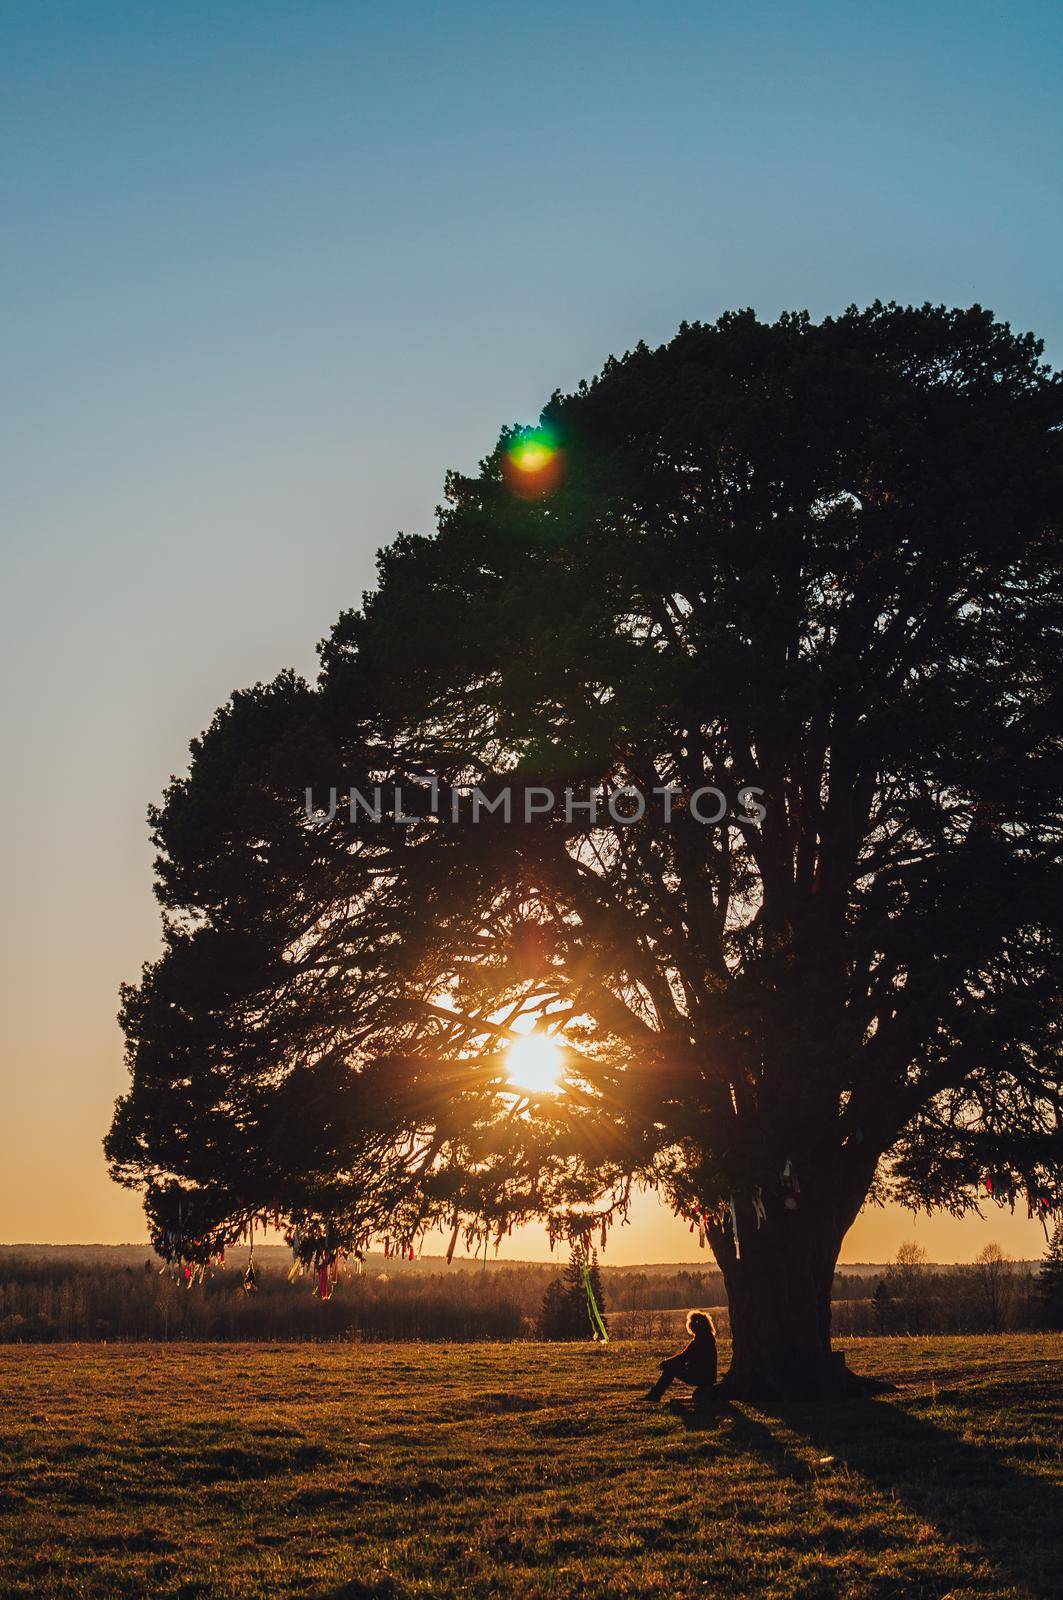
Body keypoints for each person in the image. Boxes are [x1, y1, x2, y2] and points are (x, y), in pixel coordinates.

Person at [643, 1311, 717, 1404]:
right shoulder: (707, 1339)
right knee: (672, 1367)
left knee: (670, 1369)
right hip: (707, 1376)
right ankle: (655, 1395)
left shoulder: (699, 1341)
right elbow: (686, 1358)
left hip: (702, 1376)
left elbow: (683, 1357)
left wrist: (666, 1363)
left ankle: (655, 1395)